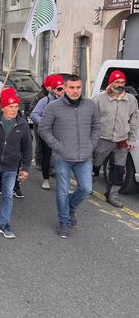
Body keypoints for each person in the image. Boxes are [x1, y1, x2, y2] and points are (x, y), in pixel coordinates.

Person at [38, 75, 100, 239]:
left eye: (78, 87)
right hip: (63, 158)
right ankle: (63, 221)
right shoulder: (53, 107)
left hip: (84, 157)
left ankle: (71, 207)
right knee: (61, 192)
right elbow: (43, 129)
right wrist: (58, 146)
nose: (75, 91)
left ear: (82, 87)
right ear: (64, 88)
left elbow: (96, 128)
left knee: (86, 188)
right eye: (71, 87)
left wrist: (91, 145)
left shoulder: (91, 105)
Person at [0, 90, 32, 238]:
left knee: (8, 195)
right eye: (11, 106)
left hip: (11, 166)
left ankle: (4, 224)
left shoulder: (22, 125)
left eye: (16, 106)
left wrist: (26, 167)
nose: (14, 110)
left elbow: (27, 147)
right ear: (3, 108)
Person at [92, 70, 139, 208]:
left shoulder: (131, 100)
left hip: (121, 141)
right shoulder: (99, 99)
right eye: (116, 82)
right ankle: (87, 185)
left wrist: (131, 139)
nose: (120, 84)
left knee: (119, 170)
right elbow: (91, 120)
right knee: (95, 164)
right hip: (102, 139)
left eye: (122, 82)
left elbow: (134, 121)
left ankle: (112, 195)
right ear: (111, 82)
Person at [31, 75, 65, 190]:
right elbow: (34, 114)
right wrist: (46, 122)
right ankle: (46, 179)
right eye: (59, 89)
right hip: (48, 134)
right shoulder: (44, 101)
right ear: (54, 90)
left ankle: (63, 184)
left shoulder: (68, 102)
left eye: (64, 88)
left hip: (63, 134)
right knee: (47, 156)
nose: (62, 91)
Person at [30, 75, 54, 168]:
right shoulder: (40, 96)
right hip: (39, 124)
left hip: (51, 125)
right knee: (39, 143)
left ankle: (49, 162)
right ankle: (38, 161)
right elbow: (32, 110)